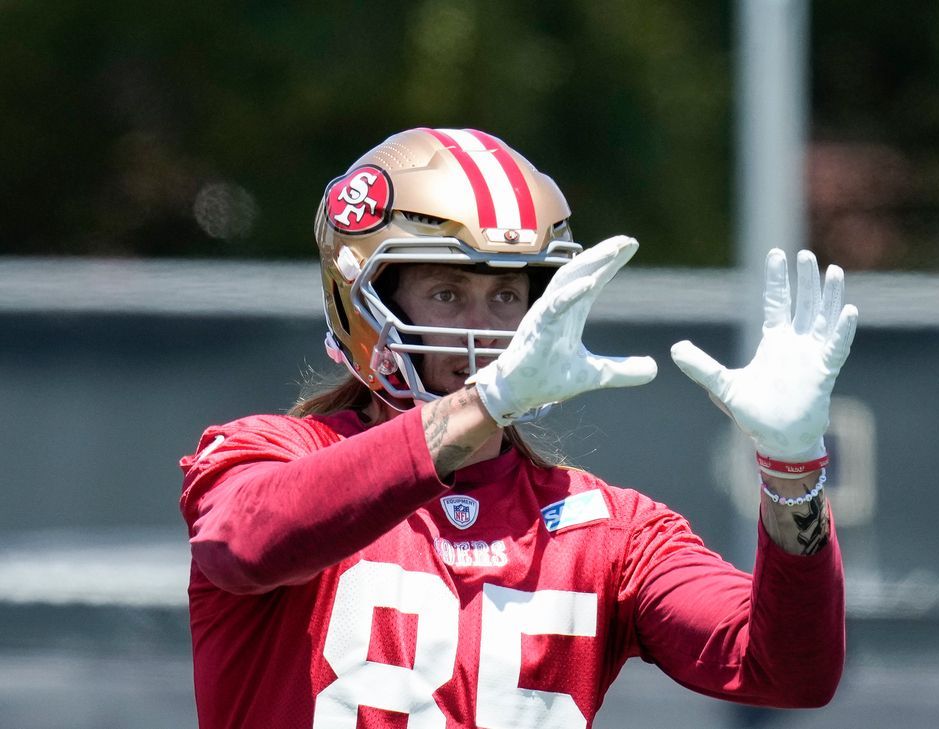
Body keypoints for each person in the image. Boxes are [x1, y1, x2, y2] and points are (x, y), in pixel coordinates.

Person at [179, 127, 859, 729]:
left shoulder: (607, 530)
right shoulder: (267, 452)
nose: (484, 329)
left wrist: (792, 469)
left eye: (507, 295)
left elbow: (788, 671)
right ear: (364, 302)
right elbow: (244, 542)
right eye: (447, 293)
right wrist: (486, 402)